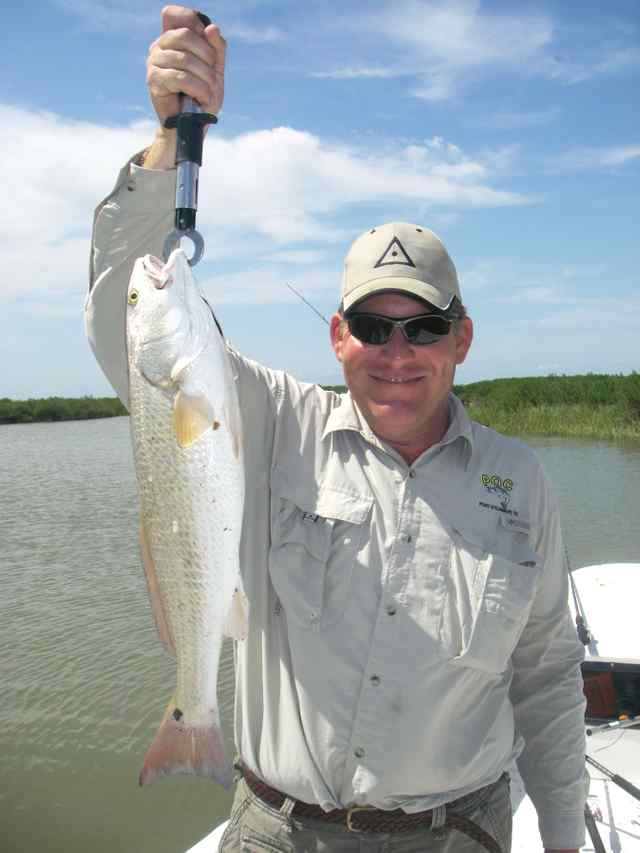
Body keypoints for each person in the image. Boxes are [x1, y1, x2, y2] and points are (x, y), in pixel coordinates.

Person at [85, 7, 587, 852]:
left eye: (423, 327)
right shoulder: (272, 419)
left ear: (462, 338)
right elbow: (117, 328)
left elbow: (546, 677)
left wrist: (566, 837)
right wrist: (169, 143)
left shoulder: (522, 482)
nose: (398, 353)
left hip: (460, 830)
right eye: (371, 325)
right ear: (336, 337)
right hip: (279, 828)